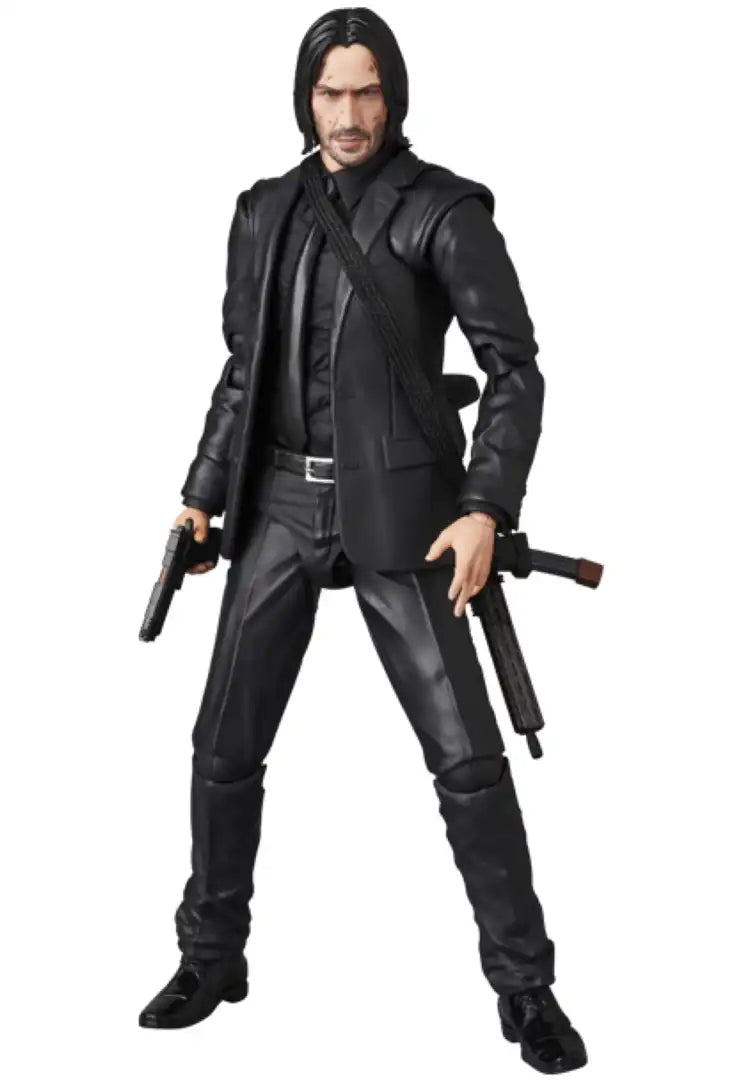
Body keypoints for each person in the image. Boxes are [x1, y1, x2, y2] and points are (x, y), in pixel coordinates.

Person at [139, 7, 587, 1073]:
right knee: (222, 746)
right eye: (330, 93)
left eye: (367, 91)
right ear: (306, 97)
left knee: (466, 760)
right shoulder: (264, 212)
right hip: (279, 505)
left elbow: (514, 370)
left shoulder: (442, 211)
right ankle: (211, 955)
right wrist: (201, 496)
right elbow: (243, 373)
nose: (348, 115)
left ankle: (524, 987)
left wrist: (483, 507)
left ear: (394, 94)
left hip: (407, 516)